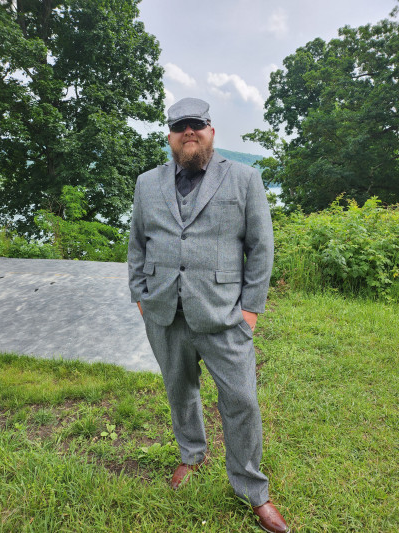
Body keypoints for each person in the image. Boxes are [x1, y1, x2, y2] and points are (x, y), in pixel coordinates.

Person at [128, 97, 289, 533]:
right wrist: (140, 295)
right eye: (180, 126)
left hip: (224, 315)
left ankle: (252, 488)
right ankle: (191, 454)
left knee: (242, 400)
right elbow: (137, 244)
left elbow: (261, 247)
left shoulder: (244, 178)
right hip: (164, 313)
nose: (189, 132)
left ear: (211, 131)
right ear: (170, 136)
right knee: (180, 391)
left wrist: (250, 310)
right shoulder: (147, 183)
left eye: (196, 124)